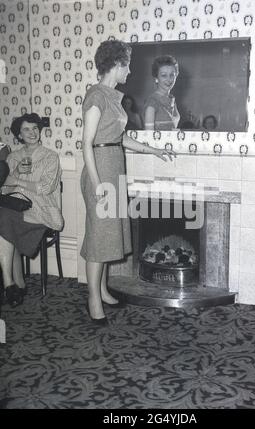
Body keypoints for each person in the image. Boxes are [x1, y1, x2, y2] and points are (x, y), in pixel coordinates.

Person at [81, 39, 175, 325]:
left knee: (109, 235)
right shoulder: (96, 95)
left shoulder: (112, 95)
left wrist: (154, 150)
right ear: (116, 65)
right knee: (99, 238)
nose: (130, 71)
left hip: (113, 165)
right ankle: (93, 299)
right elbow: (86, 143)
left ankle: (103, 290)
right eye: (127, 65)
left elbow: (120, 137)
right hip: (99, 168)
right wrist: (97, 184)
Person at [0, 113, 64, 307]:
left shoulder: (50, 156)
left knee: (3, 219)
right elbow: (3, 189)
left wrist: (17, 181)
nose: (32, 132)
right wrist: (18, 172)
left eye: (35, 128)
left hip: (42, 210)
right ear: (19, 135)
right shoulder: (13, 157)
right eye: (26, 129)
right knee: (4, 217)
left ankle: (11, 284)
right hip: (16, 208)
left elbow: (45, 188)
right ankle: (10, 283)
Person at [144, 55, 180, 130]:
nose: (169, 79)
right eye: (164, 75)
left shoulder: (172, 99)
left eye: (172, 75)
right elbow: (148, 135)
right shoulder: (152, 102)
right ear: (156, 78)